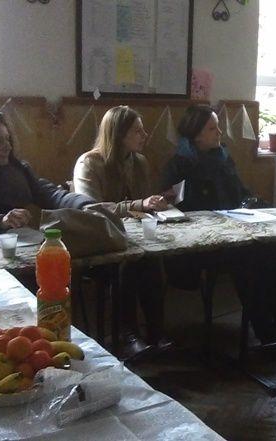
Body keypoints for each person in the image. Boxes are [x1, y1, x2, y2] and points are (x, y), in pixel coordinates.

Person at [160, 105, 276, 355]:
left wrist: (253, 205)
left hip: (235, 232)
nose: (220, 132)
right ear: (196, 134)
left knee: (273, 253)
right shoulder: (179, 165)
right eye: (212, 128)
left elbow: (240, 193)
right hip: (200, 244)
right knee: (248, 261)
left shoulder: (222, 157)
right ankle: (267, 336)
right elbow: (178, 210)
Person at [73, 105, 171, 360]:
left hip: (132, 236)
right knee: (128, 261)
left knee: (152, 258)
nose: (145, 135)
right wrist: (138, 205)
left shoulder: (138, 162)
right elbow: (91, 209)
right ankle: (127, 335)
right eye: (137, 131)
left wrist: (156, 204)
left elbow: (143, 205)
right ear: (118, 134)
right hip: (98, 240)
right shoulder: (89, 163)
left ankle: (156, 332)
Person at [0, 111, 92, 238]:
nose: (8, 147)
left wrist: (87, 204)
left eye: (8, 139)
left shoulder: (17, 170)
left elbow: (50, 194)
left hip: (10, 247)